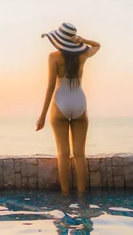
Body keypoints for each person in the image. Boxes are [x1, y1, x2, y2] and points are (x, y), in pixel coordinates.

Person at [36, 23, 101, 194]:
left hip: (60, 103)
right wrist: (83, 40)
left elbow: (50, 87)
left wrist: (42, 116)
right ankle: (81, 198)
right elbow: (97, 45)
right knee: (80, 155)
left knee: (63, 154)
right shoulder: (84, 55)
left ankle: (65, 197)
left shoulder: (53, 57)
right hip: (79, 101)